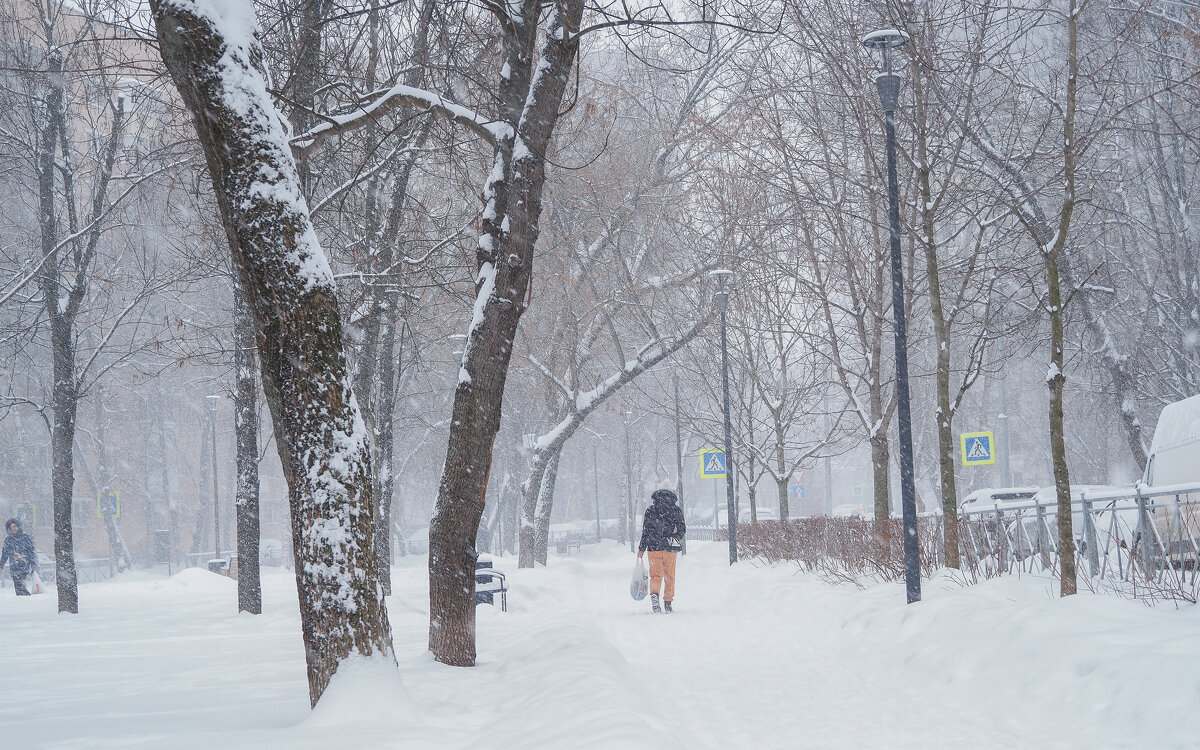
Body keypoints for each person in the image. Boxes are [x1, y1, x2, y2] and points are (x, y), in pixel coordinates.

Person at [637, 489, 686, 614]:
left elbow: (646, 531)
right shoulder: (675, 510)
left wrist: (641, 549)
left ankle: (654, 595)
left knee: (656, 575)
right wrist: (674, 537)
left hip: (653, 548)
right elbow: (682, 529)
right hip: (669, 548)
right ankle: (668, 602)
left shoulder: (650, 510)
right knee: (670, 576)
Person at [1, 517, 38, 596]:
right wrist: (1, 565)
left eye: (15, 526)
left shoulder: (26, 538)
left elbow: (31, 552)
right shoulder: (8, 539)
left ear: (19, 526)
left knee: (20, 585)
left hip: (24, 565)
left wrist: (33, 564)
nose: (13, 528)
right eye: (11, 527)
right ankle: (24, 599)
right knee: (18, 587)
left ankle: (25, 599)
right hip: (14, 567)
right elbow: (4, 554)